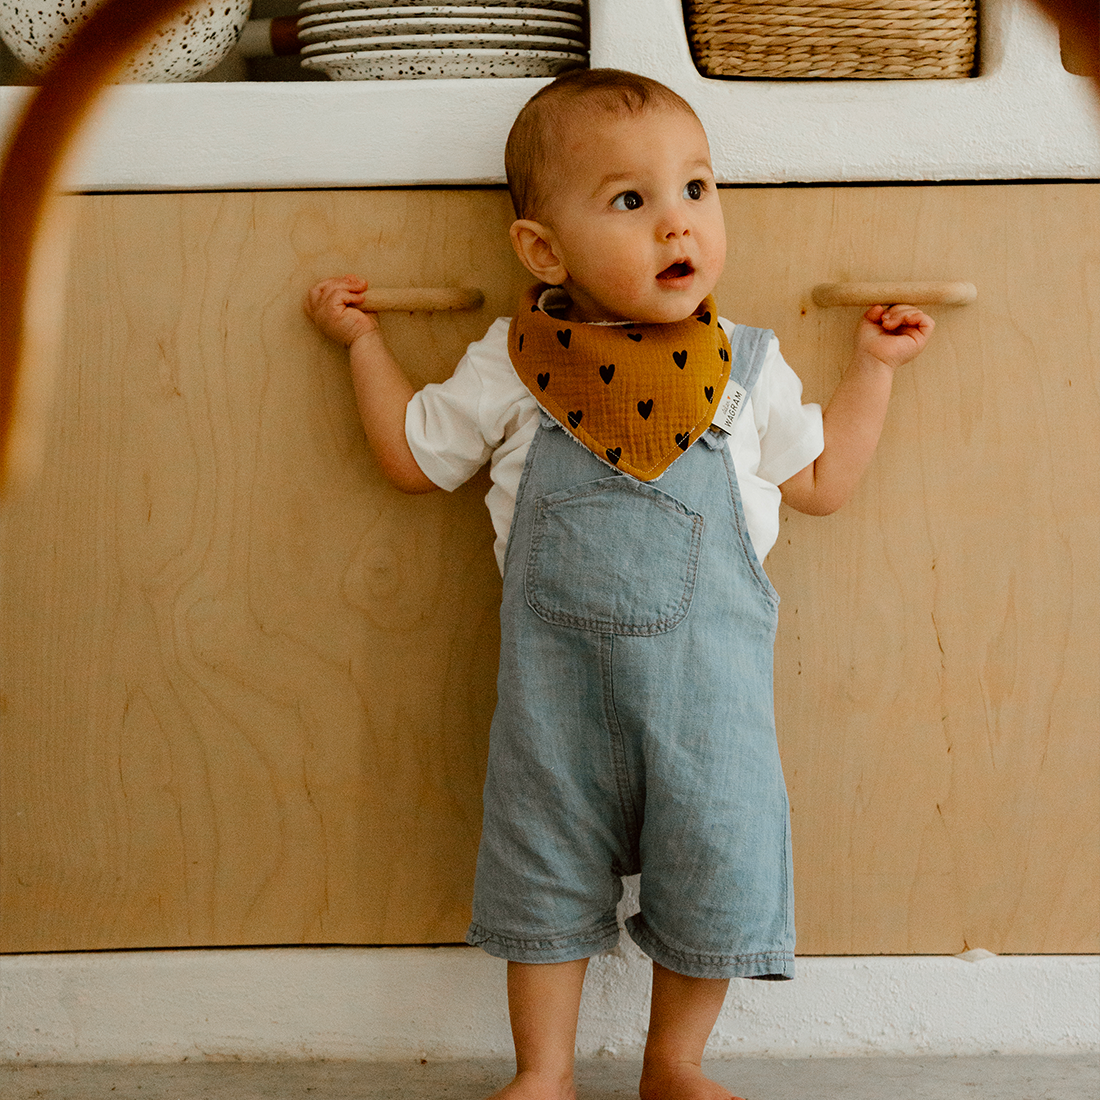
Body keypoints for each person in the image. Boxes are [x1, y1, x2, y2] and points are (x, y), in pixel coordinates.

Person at [305, 68, 934, 1100]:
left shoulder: (744, 363)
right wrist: (362, 345)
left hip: (708, 705)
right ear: (542, 250)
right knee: (540, 863)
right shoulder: (512, 365)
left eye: (695, 188)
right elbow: (414, 454)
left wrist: (873, 368)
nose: (675, 224)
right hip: (553, 709)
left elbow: (818, 480)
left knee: (715, 854)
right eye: (629, 200)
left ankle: (673, 1062)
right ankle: (541, 1069)